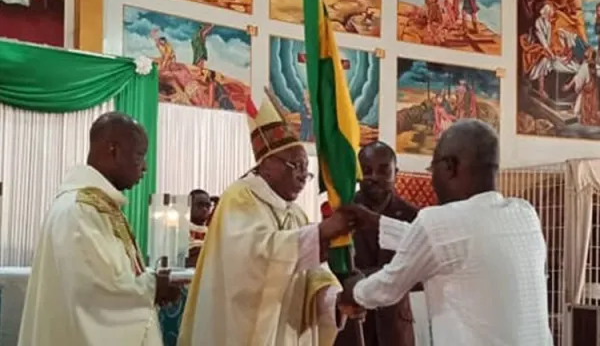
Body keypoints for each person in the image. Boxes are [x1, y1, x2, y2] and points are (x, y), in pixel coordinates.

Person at [339, 119, 553, 345]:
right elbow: (442, 243)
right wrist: (378, 222)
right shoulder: (525, 214)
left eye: (433, 169)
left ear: (450, 166)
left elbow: (387, 287)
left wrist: (353, 290)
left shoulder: (437, 222)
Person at [178, 94, 356, 345]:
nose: (303, 176)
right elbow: (252, 260)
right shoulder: (240, 198)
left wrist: (334, 299)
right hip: (241, 331)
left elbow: (313, 274)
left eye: (307, 169)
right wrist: (321, 233)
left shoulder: (296, 214)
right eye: (296, 165)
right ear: (266, 164)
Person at [19, 112, 180, 346]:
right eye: (139, 155)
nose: (144, 167)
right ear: (113, 150)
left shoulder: (96, 206)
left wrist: (151, 284)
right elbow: (96, 291)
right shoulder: (80, 210)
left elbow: (114, 276)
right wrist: (154, 288)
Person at [335, 141, 419, 346]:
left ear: (395, 172)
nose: (374, 177)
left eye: (383, 170)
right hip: (352, 323)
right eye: (366, 170)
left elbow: (419, 273)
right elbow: (332, 269)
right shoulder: (342, 213)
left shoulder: (412, 216)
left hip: (395, 326)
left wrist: (369, 278)